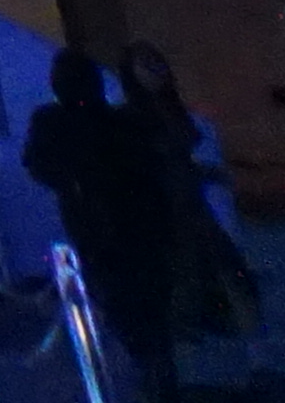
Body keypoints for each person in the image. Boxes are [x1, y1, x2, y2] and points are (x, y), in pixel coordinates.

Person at [27, 47, 183, 399]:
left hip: (116, 230)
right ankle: (154, 377)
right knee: (137, 307)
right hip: (120, 231)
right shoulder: (109, 121)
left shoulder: (72, 122)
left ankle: (153, 377)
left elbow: (41, 165)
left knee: (133, 305)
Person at [119, 50, 257, 350]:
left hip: (188, 200)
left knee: (214, 259)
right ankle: (188, 322)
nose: (154, 73)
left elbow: (179, 158)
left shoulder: (167, 109)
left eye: (156, 65)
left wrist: (206, 173)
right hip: (166, 205)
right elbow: (150, 164)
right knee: (187, 263)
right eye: (146, 67)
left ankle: (228, 319)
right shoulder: (133, 117)